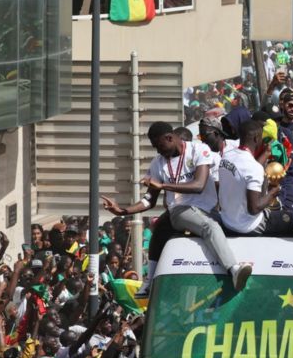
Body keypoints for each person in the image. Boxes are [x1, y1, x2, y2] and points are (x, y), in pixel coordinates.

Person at [101, 122, 251, 294]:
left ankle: (150, 281)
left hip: (210, 209)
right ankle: (234, 270)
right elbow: (149, 200)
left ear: (170, 138)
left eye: (159, 146)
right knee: (209, 227)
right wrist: (123, 211)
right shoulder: (158, 163)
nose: (158, 151)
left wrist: (163, 185)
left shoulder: (198, 150)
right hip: (181, 211)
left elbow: (199, 185)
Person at [218, 121, 291, 235]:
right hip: (248, 226)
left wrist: (265, 154)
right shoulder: (253, 167)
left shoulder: (226, 156)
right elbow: (254, 208)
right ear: (257, 138)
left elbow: (246, 170)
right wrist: (273, 192)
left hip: (227, 221)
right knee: (291, 220)